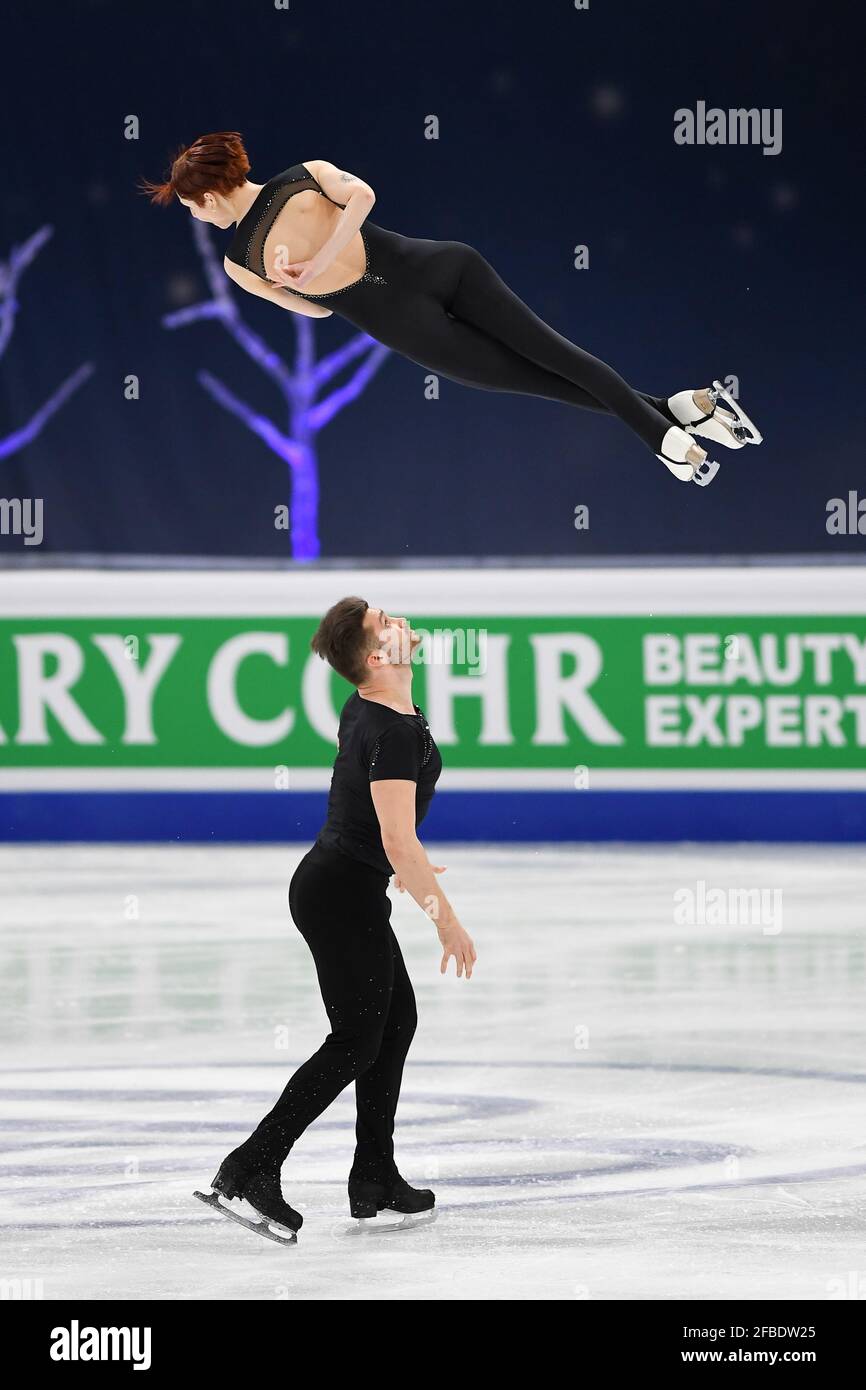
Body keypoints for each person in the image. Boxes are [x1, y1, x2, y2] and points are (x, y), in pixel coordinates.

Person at [143, 132, 762, 487]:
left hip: (423, 303)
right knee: (558, 367)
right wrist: (303, 275)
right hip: (440, 275)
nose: (198, 219)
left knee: (550, 372)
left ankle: (670, 441)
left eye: (194, 208)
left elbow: (342, 252)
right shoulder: (276, 215)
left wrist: (305, 272)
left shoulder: (259, 235)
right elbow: (337, 263)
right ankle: (681, 410)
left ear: (210, 192)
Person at [197, 598, 476, 1242]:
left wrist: (405, 865)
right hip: (338, 895)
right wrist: (445, 919)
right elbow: (397, 838)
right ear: (378, 658)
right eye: (388, 623)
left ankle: (373, 1172)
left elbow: (377, 818)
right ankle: (251, 1168)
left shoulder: (381, 706)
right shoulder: (391, 728)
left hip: (346, 885)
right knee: (357, 1038)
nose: (402, 621)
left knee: (393, 1020)